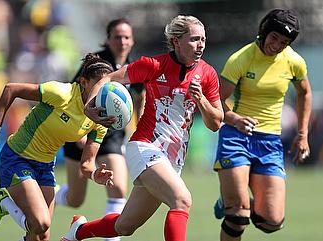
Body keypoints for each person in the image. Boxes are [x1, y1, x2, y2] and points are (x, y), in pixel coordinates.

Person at [60, 15, 224, 241]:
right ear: (176, 41)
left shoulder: (208, 74)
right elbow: (107, 79)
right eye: (194, 39)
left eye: (203, 39)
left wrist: (202, 101)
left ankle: (78, 232)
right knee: (182, 199)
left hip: (172, 160)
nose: (201, 45)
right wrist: (89, 106)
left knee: (125, 226)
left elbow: (215, 123)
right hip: (145, 147)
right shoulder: (153, 65)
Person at [212, 9, 312, 240]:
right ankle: (232, 199)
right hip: (236, 136)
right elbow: (217, 101)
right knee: (238, 216)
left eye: (284, 42)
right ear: (264, 32)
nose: (276, 45)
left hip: (270, 141)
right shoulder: (241, 59)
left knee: (272, 222)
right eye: (274, 38)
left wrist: (302, 133)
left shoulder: (294, 62)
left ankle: (228, 197)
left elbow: (304, 93)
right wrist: (235, 119)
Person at [0, 53, 116, 241]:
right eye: (98, 85)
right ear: (83, 82)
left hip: (44, 166)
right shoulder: (62, 93)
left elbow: (86, 164)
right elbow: (11, 89)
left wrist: (94, 174)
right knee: (41, 223)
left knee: (41, 236)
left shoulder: (99, 119)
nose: (103, 90)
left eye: (107, 85)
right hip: (17, 158)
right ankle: (2, 202)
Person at [56, 19, 145, 241]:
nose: (122, 41)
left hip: (111, 135)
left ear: (132, 40)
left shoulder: (133, 68)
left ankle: (111, 239)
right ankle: (50, 194)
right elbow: (76, 93)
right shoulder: (96, 64)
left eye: (126, 37)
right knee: (76, 199)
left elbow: (141, 94)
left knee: (118, 189)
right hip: (81, 130)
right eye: (117, 36)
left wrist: (140, 125)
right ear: (107, 39)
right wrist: (81, 133)